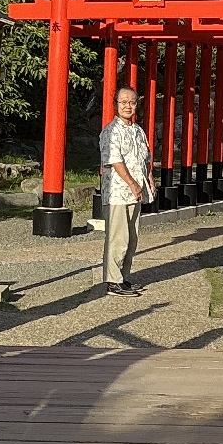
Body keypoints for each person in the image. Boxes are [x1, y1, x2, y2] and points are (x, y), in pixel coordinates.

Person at [98, 85, 151, 295]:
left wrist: (148, 180)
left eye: (131, 102)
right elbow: (115, 161)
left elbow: (145, 158)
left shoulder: (138, 131)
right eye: (123, 102)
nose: (127, 106)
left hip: (136, 192)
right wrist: (132, 183)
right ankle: (112, 281)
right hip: (117, 193)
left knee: (132, 237)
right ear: (115, 105)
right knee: (118, 238)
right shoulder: (111, 132)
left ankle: (124, 277)